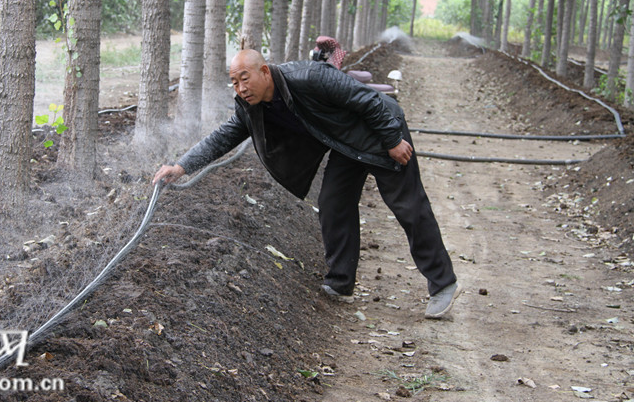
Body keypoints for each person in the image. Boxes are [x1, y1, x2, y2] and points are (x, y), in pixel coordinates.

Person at [153, 49, 461, 318]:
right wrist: (182, 166)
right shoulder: (253, 106)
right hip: (345, 145)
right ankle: (340, 282)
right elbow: (223, 136)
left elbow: (367, 99)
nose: (241, 88)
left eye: (244, 78)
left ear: (264, 71)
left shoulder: (309, 76)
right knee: (333, 203)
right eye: (234, 83)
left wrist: (393, 138)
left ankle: (443, 284)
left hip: (380, 133)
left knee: (408, 206)